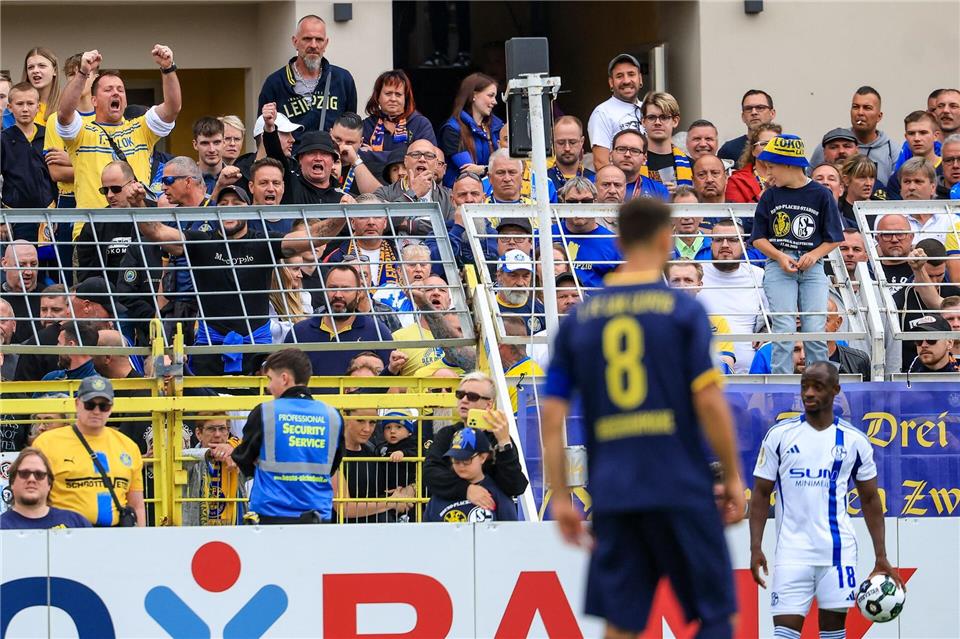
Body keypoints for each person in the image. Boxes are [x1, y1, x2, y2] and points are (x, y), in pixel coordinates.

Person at [541, 197, 745, 639]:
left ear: (619, 240)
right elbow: (709, 401)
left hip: (614, 490)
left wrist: (560, 495)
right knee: (716, 616)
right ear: (665, 238)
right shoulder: (683, 310)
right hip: (680, 484)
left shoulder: (579, 319)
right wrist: (731, 475)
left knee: (622, 622)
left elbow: (553, 415)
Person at [750, 363, 899, 639]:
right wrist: (755, 546)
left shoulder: (855, 440)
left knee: (833, 635)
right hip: (791, 553)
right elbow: (760, 493)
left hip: (838, 555)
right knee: (783, 634)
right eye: (804, 386)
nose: (808, 393)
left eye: (817, 387)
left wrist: (881, 555)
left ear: (835, 390)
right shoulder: (780, 436)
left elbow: (869, 499)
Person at [136, 184, 343, 375]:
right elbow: (158, 232)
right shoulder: (201, 240)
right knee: (208, 411)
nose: (229, 208)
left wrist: (341, 216)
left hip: (257, 349)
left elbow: (313, 237)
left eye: (236, 203)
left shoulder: (262, 241)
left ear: (249, 209)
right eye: (223, 204)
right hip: (210, 345)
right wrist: (138, 204)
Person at [751, 134, 844, 375]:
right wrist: (780, 256)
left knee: (815, 328)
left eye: (772, 167)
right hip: (778, 263)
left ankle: (819, 381)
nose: (768, 173)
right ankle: (781, 385)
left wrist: (814, 254)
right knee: (783, 327)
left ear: (790, 165)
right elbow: (758, 238)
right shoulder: (770, 195)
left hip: (812, 268)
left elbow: (834, 237)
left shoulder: (821, 194)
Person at [56, 46, 180, 209]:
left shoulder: (141, 128)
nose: (116, 93)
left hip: (136, 225)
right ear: (94, 101)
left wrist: (168, 68)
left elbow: (172, 109)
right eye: (108, 90)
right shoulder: (82, 131)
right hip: (93, 227)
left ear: (126, 101)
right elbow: (64, 114)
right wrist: (83, 73)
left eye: (120, 90)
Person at [232, 349, 344, 524]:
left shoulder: (265, 412)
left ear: (284, 378)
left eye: (270, 379)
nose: (268, 387)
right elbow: (332, 465)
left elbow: (243, 457)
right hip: (318, 514)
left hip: (271, 512)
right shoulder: (332, 415)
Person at [33, 376, 145, 527]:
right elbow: (35, 498)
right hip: (65, 535)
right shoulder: (47, 443)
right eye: (90, 405)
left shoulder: (128, 446)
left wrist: (138, 541)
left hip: (115, 537)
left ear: (111, 408)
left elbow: (136, 505)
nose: (96, 411)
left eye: (103, 406)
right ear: (77, 404)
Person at [424, 372, 528, 507]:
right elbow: (430, 473)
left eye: (472, 397)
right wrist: (466, 489)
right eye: (460, 395)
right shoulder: (447, 434)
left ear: (489, 404)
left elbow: (515, 486)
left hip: (491, 516)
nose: (464, 400)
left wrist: (504, 444)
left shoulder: (498, 437)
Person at [257, 14, 357, 136]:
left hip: (332, 153)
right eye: (307, 39)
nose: (313, 45)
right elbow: (261, 132)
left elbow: (352, 127)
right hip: (292, 154)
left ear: (326, 44)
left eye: (319, 40)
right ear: (295, 42)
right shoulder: (275, 83)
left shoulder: (342, 79)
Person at [286, 264, 393, 376]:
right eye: (332, 288)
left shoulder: (378, 332)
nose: (338, 295)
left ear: (359, 293)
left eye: (346, 289)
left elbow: (392, 386)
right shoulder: (299, 333)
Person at [698, 219, 768, 372]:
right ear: (710, 243)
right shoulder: (695, 274)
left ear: (744, 245)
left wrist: (765, 333)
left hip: (751, 376)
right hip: (704, 375)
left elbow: (775, 317)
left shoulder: (758, 275)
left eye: (732, 240)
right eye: (718, 240)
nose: (724, 245)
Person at [425, 426, 518, 523]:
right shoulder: (440, 495)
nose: (461, 465)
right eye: (456, 460)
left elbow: (510, 531)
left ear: (483, 457)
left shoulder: (497, 493)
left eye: (466, 460)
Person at [74, 160, 145, 284]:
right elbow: (87, 276)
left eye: (116, 189)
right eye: (105, 190)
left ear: (133, 184)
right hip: (109, 297)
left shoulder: (155, 213)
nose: (110, 195)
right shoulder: (94, 224)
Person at [262, 105, 349, 205]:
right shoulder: (289, 184)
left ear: (333, 161)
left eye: (324, 154)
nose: (318, 158)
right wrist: (269, 128)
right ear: (300, 159)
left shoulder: (343, 198)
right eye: (311, 153)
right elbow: (275, 154)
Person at [894, 239, 960, 371]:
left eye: (940, 275)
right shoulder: (900, 300)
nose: (935, 282)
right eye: (930, 276)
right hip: (914, 374)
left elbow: (935, 301)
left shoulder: (954, 293)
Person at [811, 87, 898, 184]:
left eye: (867, 108)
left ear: (879, 116)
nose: (860, 113)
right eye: (855, 107)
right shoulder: (831, 144)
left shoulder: (892, 151)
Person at [665, 260, 737, 374]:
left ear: (699, 285)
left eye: (688, 280)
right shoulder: (654, 320)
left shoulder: (717, 321)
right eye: (676, 280)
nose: (682, 286)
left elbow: (726, 366)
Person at [553, 177, 622, 288]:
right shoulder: (544, 235)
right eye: (572, 202)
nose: (579, 207)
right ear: (562, 202)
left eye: (586, 201)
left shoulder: (614, 243)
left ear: (595, 202)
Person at [361, 70, 436, 170]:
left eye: (398, 94)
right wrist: (407, 155)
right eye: (388, 93)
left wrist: (374, 154)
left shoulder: (420, 124)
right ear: (378, 96)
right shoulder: (368, 124)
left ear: (406, 98)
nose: (393, 99)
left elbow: (426, 159)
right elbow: (360, 156)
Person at [0, 448, 91, 530]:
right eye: (24, 473)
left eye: (39, 474)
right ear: (12, 482)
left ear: (49, 484)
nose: (31, 479)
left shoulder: (77, 523)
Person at [439, 73, 503, 187]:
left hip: (493, 192)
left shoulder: (498, 126)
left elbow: (508, 162)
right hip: (464, 194)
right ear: (474, 95)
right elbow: (468, 170)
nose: (495, 102)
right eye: (490, 95)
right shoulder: (452, 129)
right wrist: (493, 169)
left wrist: (485, 169)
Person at [1, 83, 55, 213]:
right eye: (19, 104)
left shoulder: (48, 135)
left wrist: (56, 210)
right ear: (10, 107)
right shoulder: (3, 139)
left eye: (30, 104)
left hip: (48, 212)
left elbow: (56, 177)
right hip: (14, 213)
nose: (25, 109)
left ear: (38, 106)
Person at [182, 412, 242, 526]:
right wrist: (210, 453)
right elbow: (182, 456)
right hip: (196, 535)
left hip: (234, 535)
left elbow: (258, 450)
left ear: (228, 432)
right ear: (198, 433)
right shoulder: (188, 458)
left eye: (222, 429)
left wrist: (235, 448)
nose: (218, 435)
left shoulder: (235, 456)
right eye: (211, 429)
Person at [587, 54, 644, 169]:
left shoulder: (649, 109)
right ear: (611, 82)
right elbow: (601, 163)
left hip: (650, 183)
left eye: (631, 74)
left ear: (640, 79)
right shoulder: (602, 113)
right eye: (619, 76)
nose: (626, 80)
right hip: (622, 185)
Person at [373, 139, 453, 219]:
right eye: (415, 154)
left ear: (436, 164)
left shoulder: (450, 196)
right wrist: (412, 195)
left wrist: (409, 226)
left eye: (429, 156)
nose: (422, 159)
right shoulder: (384, 193)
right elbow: (379, 223)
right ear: (406, 161)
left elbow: (454, 226)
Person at [640, 91, 692, 191]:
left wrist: (679, 194)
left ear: (675, 121)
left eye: (664, 117)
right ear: (643, 121)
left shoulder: (691, 164)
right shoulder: (633, 161)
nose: (657, 123)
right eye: (651, 117)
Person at [887, 111, 942, 199]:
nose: (917, 138)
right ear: (906, 137)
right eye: (911, 133)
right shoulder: (897, 178)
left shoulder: (950, 170)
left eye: (923, 133)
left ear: (935, 136)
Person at [725, 122, 781, 204]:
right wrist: (765, 192)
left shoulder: (791, 178)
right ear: (753, 150)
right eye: (764, 144)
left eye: (775, 144)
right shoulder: (737, 181)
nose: (770, 148)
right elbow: (738, 215)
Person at [718, 89, 777, 163]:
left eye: (760, 108)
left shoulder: (786, 146)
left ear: (772, 113)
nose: (754, 112)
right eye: (748, 109)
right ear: (743, 116)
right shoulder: (728, 150)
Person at [609, 129, 669, 201]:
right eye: (621, 149)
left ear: (644, 159)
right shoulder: (594, 185)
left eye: (634, 151)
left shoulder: (659, 191)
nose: (627, 154)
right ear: (611, 155)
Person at [0, 240, 41, 344]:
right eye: (21, 265)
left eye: (33, 264)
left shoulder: (48, 298)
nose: (28, 272)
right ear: (5, 264)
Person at [495, 249, 545, 334]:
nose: (520, 283)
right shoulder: (488, 308)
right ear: (499, 276)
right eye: (513, 275)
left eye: (526, 276)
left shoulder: (540, 311)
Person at [549, 115, 595, 190]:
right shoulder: (543, 180)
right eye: (561, 143)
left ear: (582, 142)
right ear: (552, 142)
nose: (567, 148)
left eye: (572, 142)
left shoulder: (594, 180)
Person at [191, 116, 225, 196]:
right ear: (195, 145)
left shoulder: (237, 178)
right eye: (205, 143)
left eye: (217, 142)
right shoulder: (187, 181)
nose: (212, 149)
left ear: (224, 143)